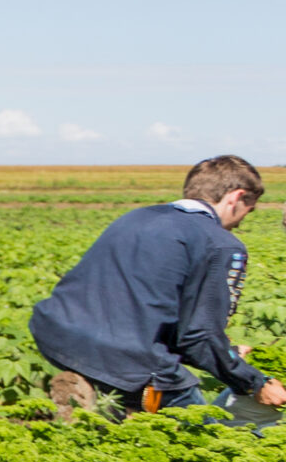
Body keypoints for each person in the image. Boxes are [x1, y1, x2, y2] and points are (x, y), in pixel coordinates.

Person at [30, 154, 286, 419]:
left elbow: (150, 309)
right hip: (125, 356)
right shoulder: (220, 243)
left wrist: (227, 353)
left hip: (56, 335)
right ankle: (113, 408)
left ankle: (102, 404)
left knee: (122, 396)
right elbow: (199, 336)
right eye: (249, 209)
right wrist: (255, 382)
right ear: (236, 197)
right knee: (204, 435)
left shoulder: (137, 217)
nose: (243, 221)